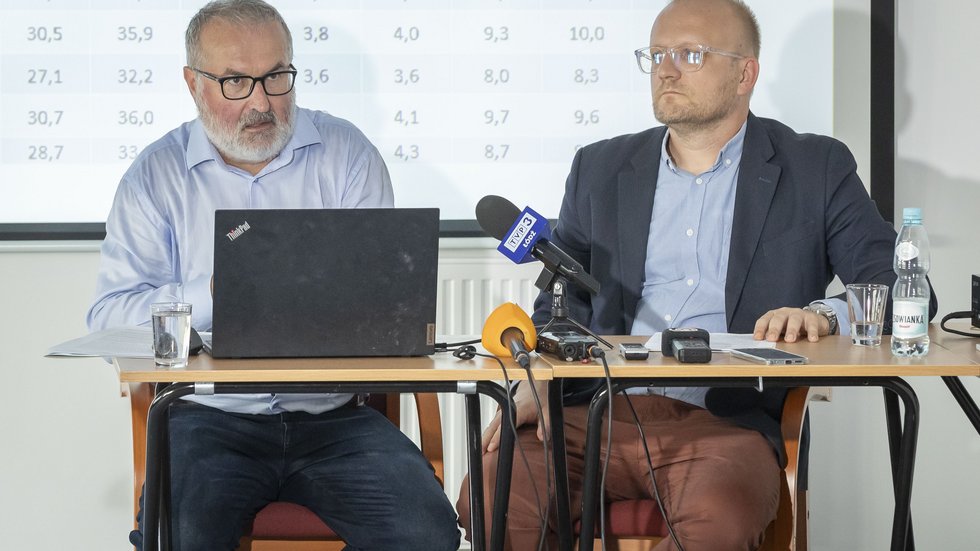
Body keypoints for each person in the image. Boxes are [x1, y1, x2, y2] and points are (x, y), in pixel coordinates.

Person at [457, 0, 937, 549]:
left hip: (723, 422)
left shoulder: (815, 168)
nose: (666, 69)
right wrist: (535, 382)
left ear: (745, 73)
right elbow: (559, 301)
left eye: (690, 53)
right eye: (656, 53)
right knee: (492, 493)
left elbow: (906, 291)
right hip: (593, 411)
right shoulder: (600, 167)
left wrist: (822, 315)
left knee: (718, 519)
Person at [86, 1, 459, 550]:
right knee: (178, 534)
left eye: (277, 77)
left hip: (334, 421)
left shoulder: (347, 155)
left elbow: (383, 302)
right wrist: (210, 295)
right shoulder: (155, 176)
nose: (262, 101)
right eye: (236, 81)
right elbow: (108, 321)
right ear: (193, 83)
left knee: (426, 533)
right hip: (207, 419)